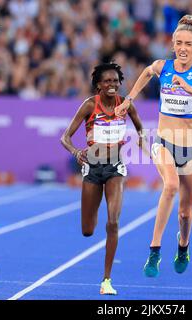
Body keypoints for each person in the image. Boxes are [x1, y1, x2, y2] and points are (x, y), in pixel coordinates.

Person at [115, 15, 192, 277]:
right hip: (163, 142)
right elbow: (146, 72)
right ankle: (154, 251)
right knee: (170, 185)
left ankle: (183, 245)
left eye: (188, 43)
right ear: (173, 44)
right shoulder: (164, 66)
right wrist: (129, 99)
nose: (183, 48)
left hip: (190, 149)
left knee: (186, 214)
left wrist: (189, 88)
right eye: (178, 43)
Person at [61, 62, 145, 294]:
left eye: (116, 81)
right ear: (98, 85)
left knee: (113, 222)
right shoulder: (89, 106)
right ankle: (95, 205)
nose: (112, 85)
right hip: (93, 169)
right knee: (87, 230)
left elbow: (140, 128)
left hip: (116, 167)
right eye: (107, 81)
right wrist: (76, 152)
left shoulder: (126, 105)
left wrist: (142, 139)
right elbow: (65, 137)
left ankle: (106, 280)